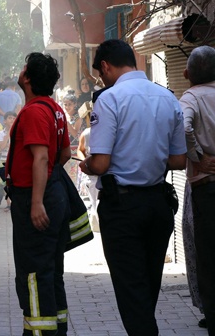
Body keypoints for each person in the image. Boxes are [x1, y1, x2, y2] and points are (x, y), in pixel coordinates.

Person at [79, 39, 186, 336]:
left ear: (105, 66)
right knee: (147, 288)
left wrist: (86, 165)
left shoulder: (110, 99)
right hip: (158, 205)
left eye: (101, 75)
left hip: (122, 208)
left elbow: (100, 164)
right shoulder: (167, 97)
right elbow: (179, 160)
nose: (103, 80)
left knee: (132, 292)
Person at [6, 52, 72, 335]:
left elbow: (42, 158)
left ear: (28, 78)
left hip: (35, 198)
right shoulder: (55, 109)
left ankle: (38, 333)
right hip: (53, 194)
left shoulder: (34, 111)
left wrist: (36, 202)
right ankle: (56, 330)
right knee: (51, 270)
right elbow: (65, 154)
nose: (20, 72)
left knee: (33, 273)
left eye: (24, 69)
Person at [181, 45, 215, 334]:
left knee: (208, 256)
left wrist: (198, 157)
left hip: (207, 189)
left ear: (187, 73)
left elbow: (182, 125)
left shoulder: (191, 97)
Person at [0, 111, 16, 210]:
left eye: (14, 118)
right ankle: (6, 203)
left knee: (11, 183)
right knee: (3, 183)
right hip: (3, 161)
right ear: (4, 121)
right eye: (10, 118)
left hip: (14, 161)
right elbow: (1, 147)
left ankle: (4, 202)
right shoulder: (1, 133)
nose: (12, 120)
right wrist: (9, 133)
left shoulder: (19, 132)